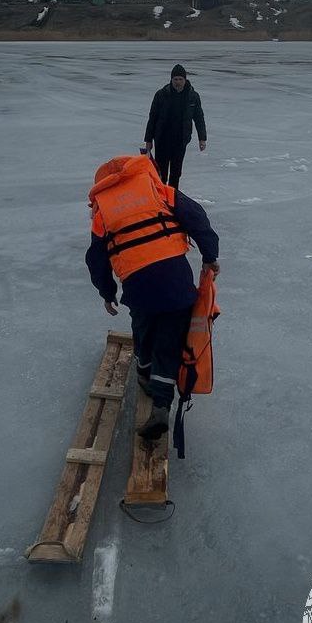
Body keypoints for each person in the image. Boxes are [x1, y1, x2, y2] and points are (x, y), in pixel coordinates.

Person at [86, 154, 219, 440]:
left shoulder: (103, 212)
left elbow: (96, 259)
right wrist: (210, 256)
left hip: (139, 287)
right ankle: (160, 405)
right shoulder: (161, 191)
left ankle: (145, 373)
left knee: (144, 331)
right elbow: (197, 219)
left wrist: (107, 293)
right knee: (169, 342)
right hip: (176, 283)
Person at [144, 63, 207, 189]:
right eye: (175, 79)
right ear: (171, 79)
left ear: (185, 79)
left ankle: (173, 199)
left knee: (176, 173)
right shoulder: (161, 95)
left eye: (180, 79)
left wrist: (202, 138)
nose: (178, 82)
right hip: (162, 140)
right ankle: (161, 199)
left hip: (180, 141)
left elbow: (199, 118)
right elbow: (152, 118)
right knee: (161, 173)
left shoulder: (193, 97)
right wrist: (148, 140)